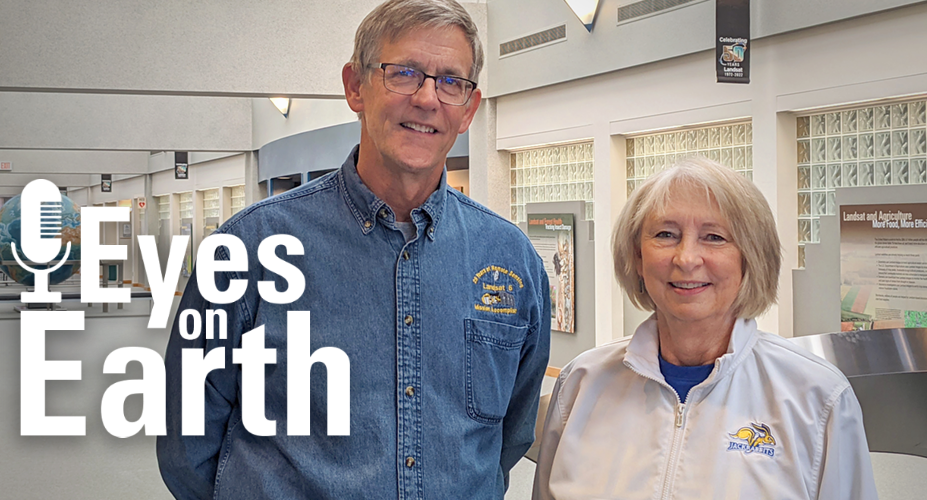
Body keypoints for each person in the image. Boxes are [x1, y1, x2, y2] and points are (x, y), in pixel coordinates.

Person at [157, 0, 551, 498]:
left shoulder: (510, 260)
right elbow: (187, 449)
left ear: (469, 109)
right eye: (404, 73)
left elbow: (507, 438)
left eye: (451, 81)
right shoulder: (248, 249)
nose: (428, 98)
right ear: (354, 87)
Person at [533, 157, 877, 499]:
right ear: (637, 257)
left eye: (714, 237)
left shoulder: (817, 397)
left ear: (751, 258)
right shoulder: (581, 384)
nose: (686, 258)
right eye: (665, 234)